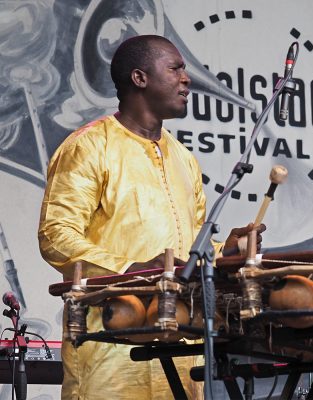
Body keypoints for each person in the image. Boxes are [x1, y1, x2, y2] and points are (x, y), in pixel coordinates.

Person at [38, 35, 264, 399]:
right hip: (111, 356)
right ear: (140, 78)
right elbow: (56, 235)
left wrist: (225, 251)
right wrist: (132, 269)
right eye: (175, 68)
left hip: (180, 354)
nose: (186, 78)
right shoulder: (88, 146)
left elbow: (187, 252)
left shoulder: (184, 158)